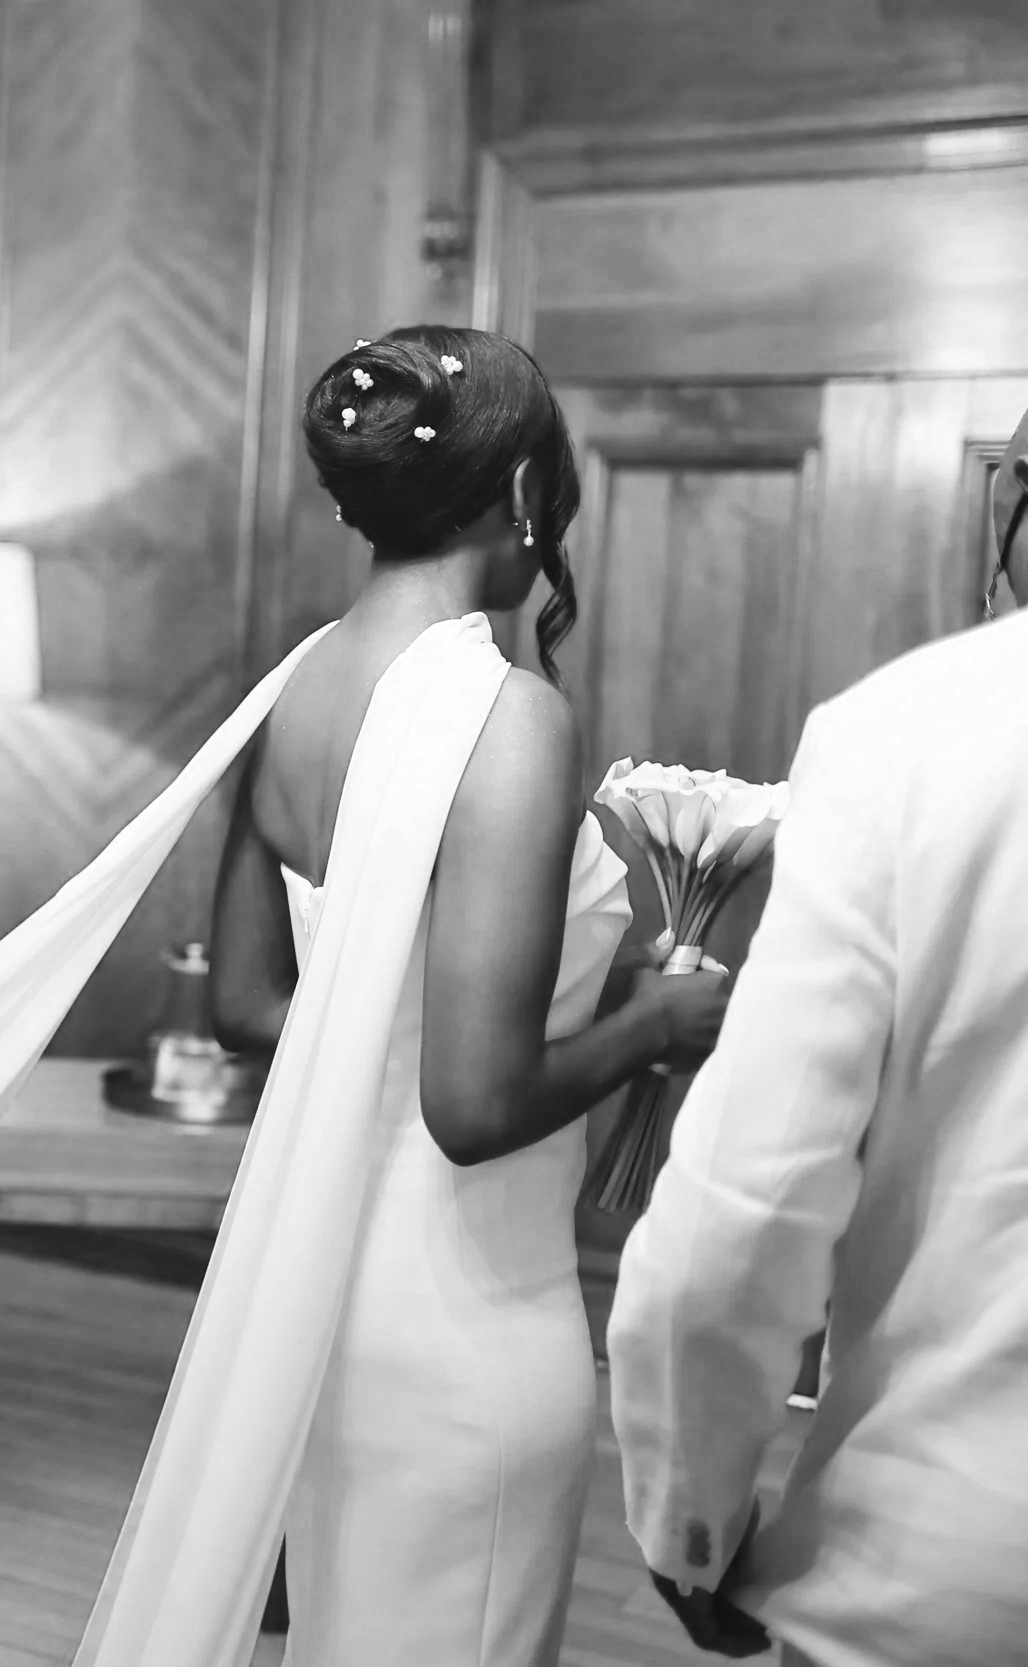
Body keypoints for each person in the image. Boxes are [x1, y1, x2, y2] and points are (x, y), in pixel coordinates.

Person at [201, 325, 730, 1665]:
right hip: (469, 1318)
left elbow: (251, 1004)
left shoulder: (293, 687)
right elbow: (475, 1099)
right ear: (516, 496)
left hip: (323, 1301)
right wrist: (651, 1023)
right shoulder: (504, 715)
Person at [608, 410, 1028, 1667]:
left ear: (1012, 504)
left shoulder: (913, 737)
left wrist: (690, 1520)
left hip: (950, 1558)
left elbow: (742, 1213)